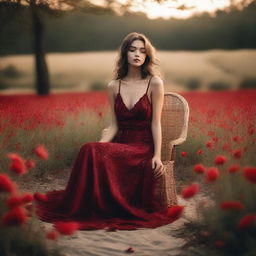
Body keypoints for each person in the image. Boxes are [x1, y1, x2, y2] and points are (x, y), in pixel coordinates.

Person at [34, 32, 178, 230]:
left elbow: (156, 123)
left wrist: (157, 155)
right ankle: (88, 203)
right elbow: (114, 126)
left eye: (142, 51)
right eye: (132, 49)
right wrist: (100, 147)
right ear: (124, 53)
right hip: (120, 142)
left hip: (142, 146)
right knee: (90, 149)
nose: (137, 54)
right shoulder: (113, 86)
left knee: (93, 149)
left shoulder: (154, 82)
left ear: (147, 56)